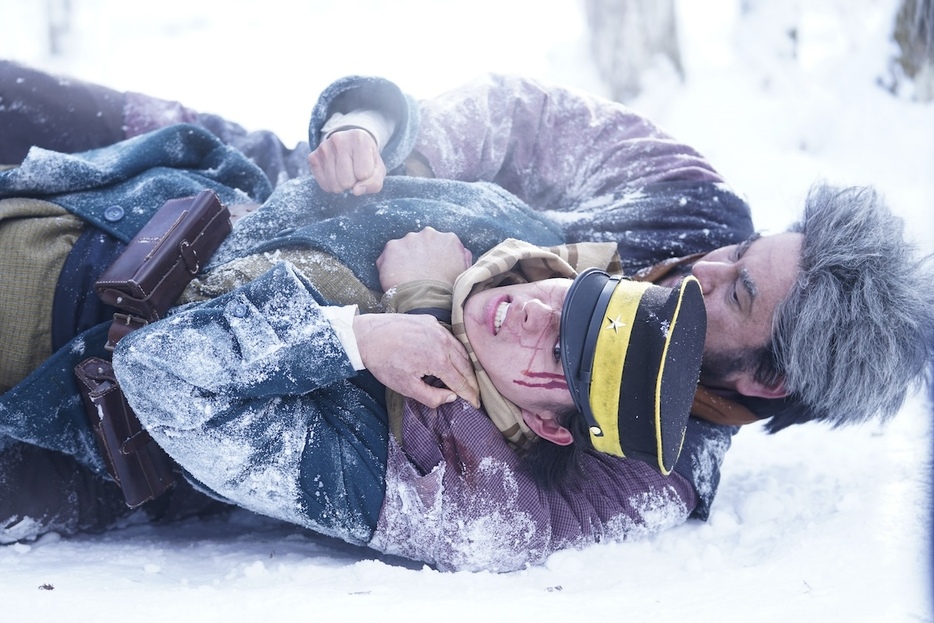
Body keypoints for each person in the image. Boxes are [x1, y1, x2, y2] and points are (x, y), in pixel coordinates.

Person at [2, 63, 932, 565]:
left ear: (768, 378)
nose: (704, 267)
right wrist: (379, 146)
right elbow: (522, 117)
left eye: (739, 291)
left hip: (129, 386)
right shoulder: (694, 212)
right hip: (239, 194)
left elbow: (488, 517)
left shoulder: (651, 470)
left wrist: (406, 311)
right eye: (746, 247)